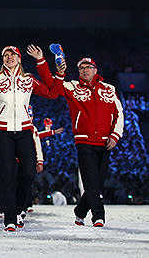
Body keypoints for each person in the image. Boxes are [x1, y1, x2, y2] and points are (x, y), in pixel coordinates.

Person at [0, 45, 59, 231]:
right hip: (2, 131)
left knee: (29, 173)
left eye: (12, 54)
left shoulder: (28, 79)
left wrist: (41, 61)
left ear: (20, 58)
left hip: (24, 131)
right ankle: (10, 218)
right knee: (7, 175)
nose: (9, 57)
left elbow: (52, 92)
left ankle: (21, 209)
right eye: (5, 55)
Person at [54, 57, 124, 227]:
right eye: (81, 68)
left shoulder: (109, 88)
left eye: (88, 67)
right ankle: (98, 216)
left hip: (105, 141)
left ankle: (80, 211)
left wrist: (115, 135)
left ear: (95, 69)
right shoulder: (73, 86)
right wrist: (59, 72)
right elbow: (53, 86)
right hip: (84, 141)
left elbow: (119, 113)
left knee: (97, 182)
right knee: (91, 181)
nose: (85, 70)